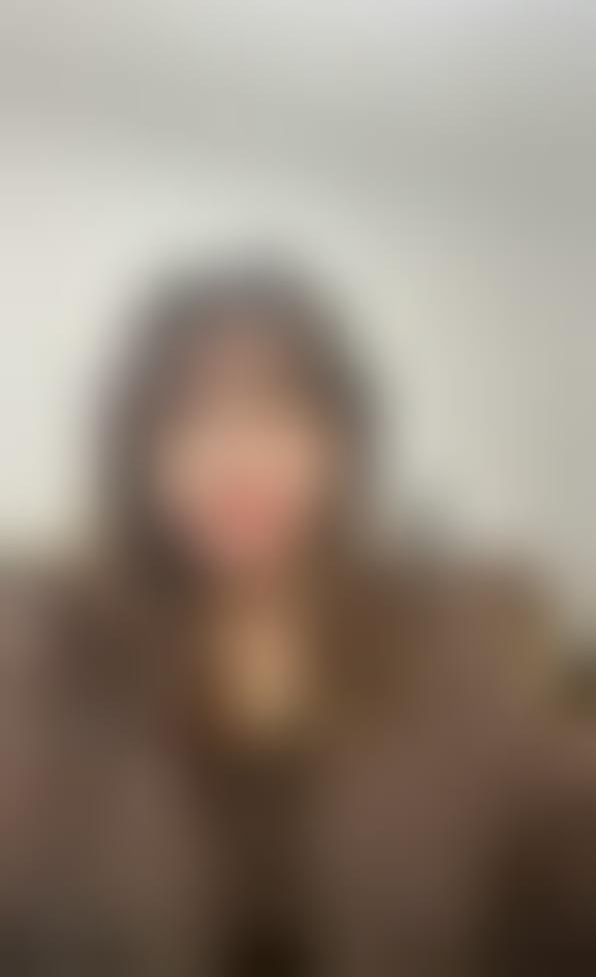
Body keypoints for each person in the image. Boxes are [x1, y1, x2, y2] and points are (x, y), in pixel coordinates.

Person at [1, 260, 594, 976]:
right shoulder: (50, 650)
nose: (239, 458)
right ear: (136, 453)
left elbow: (561, 879)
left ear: (343, 441)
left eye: (278, 415)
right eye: (192, 421)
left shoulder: (461, 638)